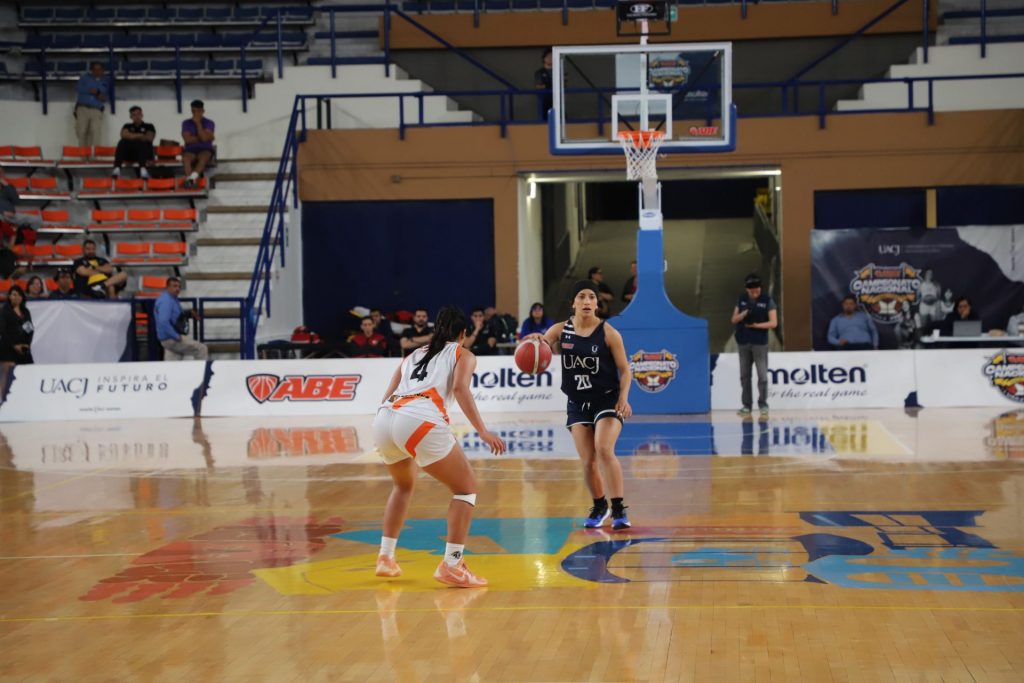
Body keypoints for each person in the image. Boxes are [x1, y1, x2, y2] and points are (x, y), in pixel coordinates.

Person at [371, 305, 507, 587]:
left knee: (403, 486)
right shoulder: (463, 354)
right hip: (419, 419)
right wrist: (483, 431)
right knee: (466, 489)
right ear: (462, 334)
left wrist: (391, 428)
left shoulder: (412, 355)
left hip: (384, 419)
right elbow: (459, 388)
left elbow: (388, 394)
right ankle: (452, 564)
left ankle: (385, 556)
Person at [535, 280, 634, 530]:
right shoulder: (560, 330)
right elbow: (539, 350)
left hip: (607, 399)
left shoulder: (609, 333)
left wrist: (623, 398)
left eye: (591, 297)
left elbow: (625, 370)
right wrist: (535, 344)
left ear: (597, 303)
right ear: (573, 302)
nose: (587, 301)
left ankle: (618, 509)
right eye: (582, 296)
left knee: (604, 448)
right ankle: (600, 506)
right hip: (577, 402)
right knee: (588, 460)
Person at [731, 273, 777, 415]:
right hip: (744, 342)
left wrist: (756, 325)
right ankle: (747, 405)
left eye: (757, 289)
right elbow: (733, 320)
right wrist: (743, 314)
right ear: (747, 289)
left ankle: (763, 403)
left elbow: (773, 323)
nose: (755, 292)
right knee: (745, 376)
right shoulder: (741, 299)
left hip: (759, 343)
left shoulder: (767, 300)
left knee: (762, 376)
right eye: (752, 290)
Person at [154, 276, 208, 361]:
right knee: (201, 349)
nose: (177, 289)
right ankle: (200, 370)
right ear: (167, 287)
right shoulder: (166, 301)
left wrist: (189, 313)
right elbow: (163, 321)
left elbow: (175, 315)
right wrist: (176, 336)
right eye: (174, 286)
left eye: (179, 286)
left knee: (173, 363)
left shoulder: (171, 299)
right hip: (171, 338)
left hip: (167, 338)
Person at [113, 106, 156, 178]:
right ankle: (117, 168)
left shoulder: (149, 126)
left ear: (142, 115)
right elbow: (124, 135)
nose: (137, 117)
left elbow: (149, 138)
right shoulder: (127, 126)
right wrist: (141, 135)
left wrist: (131, 136)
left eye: (138, 114)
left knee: (141, 143)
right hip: (131, 154)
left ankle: (143, 168)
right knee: (122, 142)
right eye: (134, 115)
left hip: (145, 155)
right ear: (131, 117)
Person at [181, 99, 215, 188]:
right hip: (190, 149)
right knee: (186, 159)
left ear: (203, 111)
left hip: (205, 149)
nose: (196, 113)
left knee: (203, 158)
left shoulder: (209, 122)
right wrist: (204, 137)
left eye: (198, 111)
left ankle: (192, 178)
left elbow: (204, 138)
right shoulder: (186, 123)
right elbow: (187, 140)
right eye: (194, 111)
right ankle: (191, 181)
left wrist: (198, 124)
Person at [75, 62, 109, 148]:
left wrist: (97, 93)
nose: (97, 71)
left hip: (96, 109)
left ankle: (95, 155)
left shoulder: (105, 81)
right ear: (91, 70)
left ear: (102, 70)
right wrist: (93, 91)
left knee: (95, 132)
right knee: (81, 131)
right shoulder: (84, 78)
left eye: (99, 69)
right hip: (83, 108)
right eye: (95, 69)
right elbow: (79, 89)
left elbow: (105, 97)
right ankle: (82, 154)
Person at [0, 166, 43, 233]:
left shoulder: (8, 187)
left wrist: (7, 185)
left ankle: (21, 234)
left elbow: (16, 201)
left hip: (12, 216)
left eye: (1, 172)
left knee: (37, 220)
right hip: (1, 215)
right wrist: (2, 212)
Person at [0, 285, 34, 365]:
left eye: (19, 295)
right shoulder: (4, 311)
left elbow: (30, 330)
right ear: (9, 296)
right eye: (14, 295)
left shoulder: (25, 312)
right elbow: (2, 331)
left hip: (23, 351)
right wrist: (14, 346)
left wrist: (27, 344)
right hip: (8, 351)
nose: (17, 297)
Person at [534, 48, 553, 119]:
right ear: (544, 58)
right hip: (544, 101)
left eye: (552, 56)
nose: (550, 58)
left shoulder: (559, 71)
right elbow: (539, 86)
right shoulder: (539, 72)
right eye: (548, 56)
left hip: (557, 100)